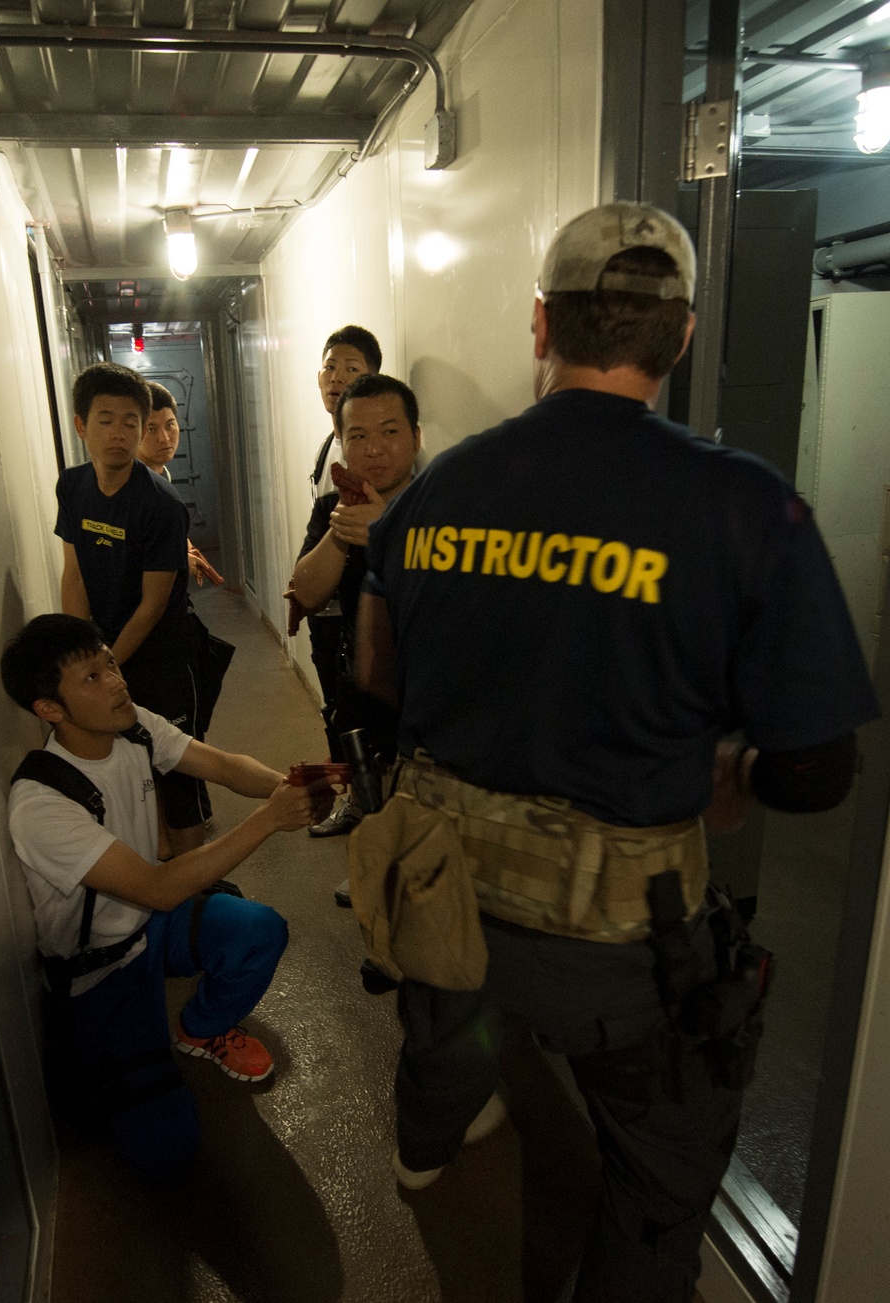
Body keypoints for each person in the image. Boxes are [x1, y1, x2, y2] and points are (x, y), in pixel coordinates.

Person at [356, 202, 879, 1302]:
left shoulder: (437, 488)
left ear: (541, 323)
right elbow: (813, 772)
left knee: (446, 1025)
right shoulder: (744, 507)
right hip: (619, 945)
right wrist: (723, 776)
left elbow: (381, 683)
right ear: (680, 337)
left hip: (444, 886)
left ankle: (422, 1150)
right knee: (657, 1181)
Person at [3, 614, 332, 1179]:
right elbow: (158, 888)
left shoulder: (132, 727)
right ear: (49, 709)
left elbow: (223, 766)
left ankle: (199, 1028)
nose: (116, 680)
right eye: (91, 676)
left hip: (152, 922)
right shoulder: (41, 804)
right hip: (101, 965)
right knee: (166, 1147)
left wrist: (291, 786)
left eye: (109, 662)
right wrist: (268, 821)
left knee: (259, 930)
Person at [57, 362, 208, 857]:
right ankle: (154, 871)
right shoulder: (73, 487)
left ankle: (195, 889)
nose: (118, 433)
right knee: (125, 766)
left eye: (130, 423)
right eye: (105, 420)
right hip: (104, 654)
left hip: (160, 657)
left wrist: (102, 670)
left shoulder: (160, 505)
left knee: (179, 775)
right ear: (81, 425)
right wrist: (78, 660)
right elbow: (74, 574)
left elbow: (152, 604)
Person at [293, 374, 421, 908]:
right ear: (341, 443)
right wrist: (343, 530)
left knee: (421, 805)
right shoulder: (332, 510)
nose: (374, 449)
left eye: (389, 431)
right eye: (358, 436)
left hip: (425, 687)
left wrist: (388, 530)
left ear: (415, 435)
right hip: (363, 681)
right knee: (370, 789)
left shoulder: (443, 505)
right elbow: (306, 589)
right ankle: (373, 871)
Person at [286, 326, 383, 794]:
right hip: (328, 610)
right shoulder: (328, 446)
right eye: (329, 366)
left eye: (351, 369)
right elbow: (321, 538)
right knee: (339, 712)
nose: (336, 377)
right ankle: (354, 795)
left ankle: (363, 798)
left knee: (368, 719)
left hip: (360, 613)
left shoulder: (387, 470)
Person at [138, 380, 222, 588]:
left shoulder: (162, 474)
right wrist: (179, 559)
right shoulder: (134, 484)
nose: (164, 438)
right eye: (151, 429)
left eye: (169, 425)